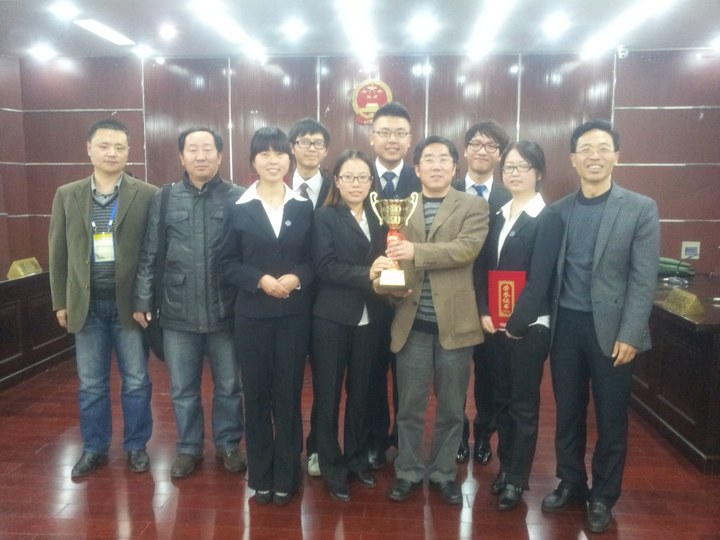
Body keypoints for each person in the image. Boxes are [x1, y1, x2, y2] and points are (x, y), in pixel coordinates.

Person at [541, 120, 660, 534]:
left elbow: (643, 278)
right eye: (586, 149)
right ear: (573, 160)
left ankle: (603, 496)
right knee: (568, 411)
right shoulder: (558, 210)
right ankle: (571, 482)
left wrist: (631, 333)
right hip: (566, 328)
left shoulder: (640, 208)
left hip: (613, 331)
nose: (594, 155)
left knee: (611, 418)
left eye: (603, 148)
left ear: (616, 157)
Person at [133, 127, 245, 479]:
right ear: (181, 157)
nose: (200, 156)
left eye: (207, 149)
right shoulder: (165, 197)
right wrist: (142, 298)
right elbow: (151, 252)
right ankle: (189, 448)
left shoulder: (239, 197)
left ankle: (228, 444)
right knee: (182, 389)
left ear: (220, 155)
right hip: (177, 311)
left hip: (226, 310)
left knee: (229, 386)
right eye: (192, 149)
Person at [382, 136, 488, 505]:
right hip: (411, 323)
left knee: (451, 408)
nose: (437, 165)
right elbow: (391, 256)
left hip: (455, 326)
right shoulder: (402, 206)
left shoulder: (474, 206)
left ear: (455, 167)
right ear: (417, 168)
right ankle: (408, 471)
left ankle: (444, 473)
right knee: (409, 407)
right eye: (429, 159)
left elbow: (465, 250)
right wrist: (389, 286)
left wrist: (415, 251)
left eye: (444, 159)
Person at [49, 118, 155, 477]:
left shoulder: (147, 194)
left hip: (129, 305)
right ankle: (94, 447)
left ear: (128, 151)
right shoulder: (68, 194)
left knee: (136, 380)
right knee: (91, 384)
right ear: (89, 149)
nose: (112, 153)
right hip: (86, 304)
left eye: (119, 147)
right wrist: (60, 301)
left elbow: (153, 252)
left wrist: (148, 299)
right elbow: (58, 252)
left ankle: (136, 445)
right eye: (104, 146)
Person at [218, 127, 314, 506]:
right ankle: (260, 475)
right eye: (264, 154)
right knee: (256, 395)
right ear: (253, 161)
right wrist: (259, 280)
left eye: (279, 153)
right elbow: (226, 263)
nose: (273, 160)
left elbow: (314, 261)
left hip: (293, 316)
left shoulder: (303, 206)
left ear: (290, 159)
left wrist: (296, 277)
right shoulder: (238, 207)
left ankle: (287, 474)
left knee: (288, 395)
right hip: (252, 317)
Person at [476, 141, 562, 511]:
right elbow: (485, 268)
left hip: (529, 327)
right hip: (495, 325)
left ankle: (517, 479)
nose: (514, 173)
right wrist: (484, 311)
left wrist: (516, 322)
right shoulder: (499, 213)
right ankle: (505, 467)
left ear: (538, 172)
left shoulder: (547, 218)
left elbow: (541, 278)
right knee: (502, 400)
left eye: (522, 166)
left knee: (523, 405)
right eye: (509, 167)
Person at [311, 149, 387, 502]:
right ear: (337, 181)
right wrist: (368, 274)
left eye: (362, 177)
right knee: (328, 395)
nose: (356, 183)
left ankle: (356, 460)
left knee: (361, 393)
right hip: (332, 318)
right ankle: (331, 467)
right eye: (348, 177)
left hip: (371, 316)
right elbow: (325, 266)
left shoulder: (380, 216)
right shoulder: (324, 216)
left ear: (371, 182)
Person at [452, 120, 511, 465]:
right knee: (454, 374)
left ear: (499, 155)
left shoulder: (509, 197)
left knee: (489, 373)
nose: (482, 151)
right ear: (465, 150)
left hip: (492, 302)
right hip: (454, 297)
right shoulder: (448, 190)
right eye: (476, 143)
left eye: (491, 145)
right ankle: (457, 433)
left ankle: (484, 433)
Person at [366, 101, 421, 470]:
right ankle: (373, 438)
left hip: (411, 294)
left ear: (409, 139)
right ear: (372, 137)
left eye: (400, 133)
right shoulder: (357, 176)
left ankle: (404, 440)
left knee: (408, 375)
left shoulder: (421, 180)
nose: (392, 139)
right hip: (368, 293)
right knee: (371, 371)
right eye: (384, 132)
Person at [288, 117, 331, 477]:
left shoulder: (338, 186)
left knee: (324, 381)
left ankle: (318, 446)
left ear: (326, 150)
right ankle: (288, 447)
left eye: (317, 143)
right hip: (285, 297)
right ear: (292, 148)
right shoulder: (275, 185)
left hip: (328, 300)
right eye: (304, 141)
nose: (311, 148)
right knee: (285, 379)